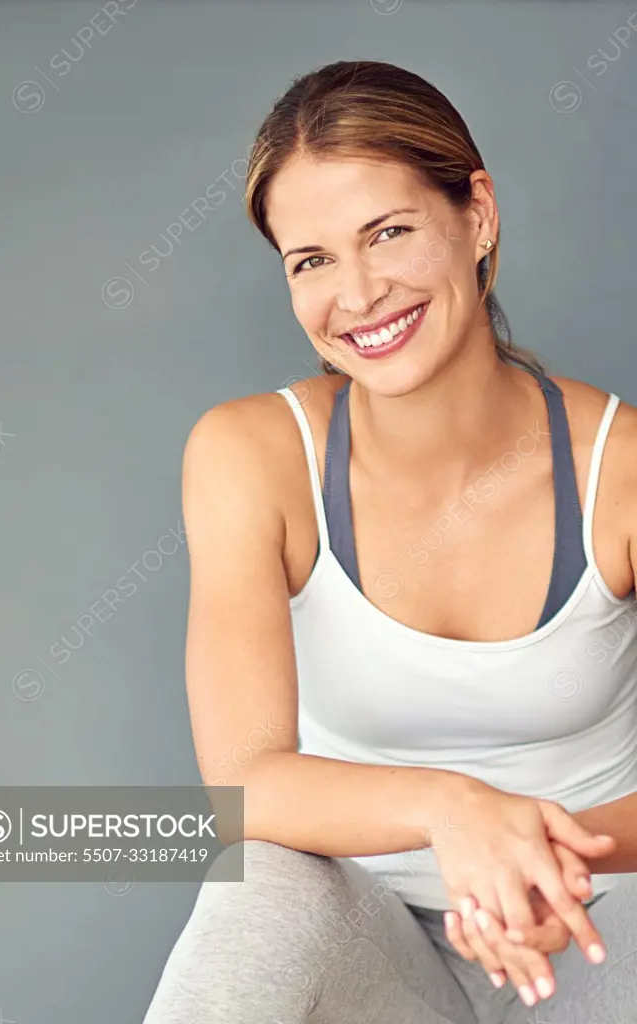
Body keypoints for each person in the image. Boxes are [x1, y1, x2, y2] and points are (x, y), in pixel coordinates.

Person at [142, 60, 637, 1023]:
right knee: (260, 886)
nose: (358, 292)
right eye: (312, 260)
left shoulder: (620, 469)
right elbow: (245, 782)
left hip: (601, 923)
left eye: (390, 233)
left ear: (477, 215)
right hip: (370, 948)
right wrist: (453, 808)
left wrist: (545, 854)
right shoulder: (250, 455)